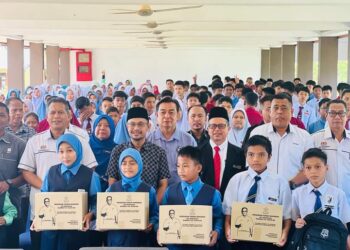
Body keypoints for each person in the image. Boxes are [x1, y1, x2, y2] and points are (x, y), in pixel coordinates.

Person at [19, 97, 97, 249]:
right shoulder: (35, 141)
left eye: (61, 112)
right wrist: (52, 189)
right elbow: (26, 172)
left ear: (69, 115)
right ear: (47, 117)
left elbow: (89, 169)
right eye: (52, 112)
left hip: (75, 215)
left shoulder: (80, 139)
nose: (56, 116)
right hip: (43, 213)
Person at [223, 135, 292, 250]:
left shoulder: (280, 182)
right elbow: (228, 211)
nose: (255, 159)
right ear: (245, 155)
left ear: (269, 157)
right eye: (251, 154)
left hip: (269, 242)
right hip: (240, 240)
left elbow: (287, 216)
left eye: (261, 154)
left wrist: (284, 234)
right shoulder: (236, 180)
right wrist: (228, 230)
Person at [34, 133, 101, 250]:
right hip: (51, 233)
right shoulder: (51, 172)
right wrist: (37, 218)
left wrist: (90, 214)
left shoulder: (91, 175)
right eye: (61, 151)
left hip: (77, 234)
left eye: (70, 151)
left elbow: (97, 202)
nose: (65, 156)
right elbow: (43, 197)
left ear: (78, 150)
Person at [160, 146, 223, 250]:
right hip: (175, 246)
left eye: (185, 166)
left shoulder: (213, 193)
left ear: (198, 168)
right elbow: (161, 216)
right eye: (178, 166)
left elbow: (219, 217)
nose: (180, 170)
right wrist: (159, 229)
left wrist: (217, 231)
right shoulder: (169, 191)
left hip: (202, 247)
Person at [107, 107, 170, 204]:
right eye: (132, 124)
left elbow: (163, 184)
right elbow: (112, 180)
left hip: (150, 205)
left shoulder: (159, 152)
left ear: (148, 126)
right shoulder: (117, 151)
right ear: (127, 126)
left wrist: (152, 207)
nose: (136, 128)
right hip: (123, 205)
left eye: (141, 124)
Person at [250, 93, 313, 188]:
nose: (279, 112)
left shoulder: (304, 136)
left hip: (293, 193)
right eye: (275, 108)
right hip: (262, 192)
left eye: (284, 108)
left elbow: (310, 168)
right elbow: (250, 164)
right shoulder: (257, 133)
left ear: (292, 112)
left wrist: (288, 186)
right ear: (270, 111)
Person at [292, 148, 350, 248]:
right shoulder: (297, 194)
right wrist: (297, 223)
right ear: (304, 171)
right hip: (307, 242)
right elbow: (295, 218)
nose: (313, 171)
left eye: (318, 166)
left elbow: (343, 224)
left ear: (326, 168)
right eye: (308, 168)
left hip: (331, 243)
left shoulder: (339, 194)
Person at [106, 148, 158, 247]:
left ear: (140, 165)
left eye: (132, 163)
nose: (128, 167)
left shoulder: (149, 190)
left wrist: (150, 224)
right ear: (119, 166)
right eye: (124, 163)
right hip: (116, 241)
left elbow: (155, 215)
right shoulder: (111, 190)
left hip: (140, 241)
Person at [148, 97, 197, 185]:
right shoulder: (148, 140)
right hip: (156, 192)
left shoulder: (189, 140)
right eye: (163, 112)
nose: (167, 116)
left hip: (182, 191)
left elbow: (195, 169)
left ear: (178, 115)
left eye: (171, 112)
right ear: (156, 115)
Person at [199, 107, 245, 197]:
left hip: (231, 203)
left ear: (229, 128)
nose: (217, 129)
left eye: (221, 126)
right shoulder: (198, 152)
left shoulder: (240, 154)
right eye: (212, 126)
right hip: (204, 204)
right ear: (207, 129)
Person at [312, 99, 350, 203]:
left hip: (348, 199)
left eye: (341, 113)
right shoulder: (315, 139)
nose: (337, 117)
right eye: (332, 113)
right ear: (326, 115)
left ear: (347, 116)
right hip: (323, 200)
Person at [0, 102, 26, 248]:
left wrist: (8, 183)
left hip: (11, 208)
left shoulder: (19, 144)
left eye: (1, 115)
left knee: (9, 246)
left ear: (8, 118)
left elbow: (26, 176)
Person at [89, 115, 116, 191]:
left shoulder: (117, 149)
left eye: (107, 126)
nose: (102, 128)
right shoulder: (87, 147)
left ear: (112, 129)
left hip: (112, 191)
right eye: (99, 125)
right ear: (94, 128)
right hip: (89, 190)